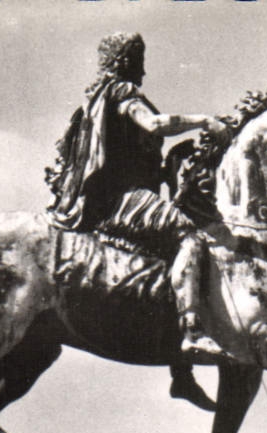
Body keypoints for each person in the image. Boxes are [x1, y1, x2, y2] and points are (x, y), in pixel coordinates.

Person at [46, 31, 225, 411]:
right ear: (126, 59)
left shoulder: (94, 99)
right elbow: (156, 125)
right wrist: (203, 121)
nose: (142, 65)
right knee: (190, 239)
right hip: (123, 201)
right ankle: (192, 332)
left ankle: (182, 376)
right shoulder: (122, 93)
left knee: (168, 266)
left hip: (110, 199)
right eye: (138, 56)